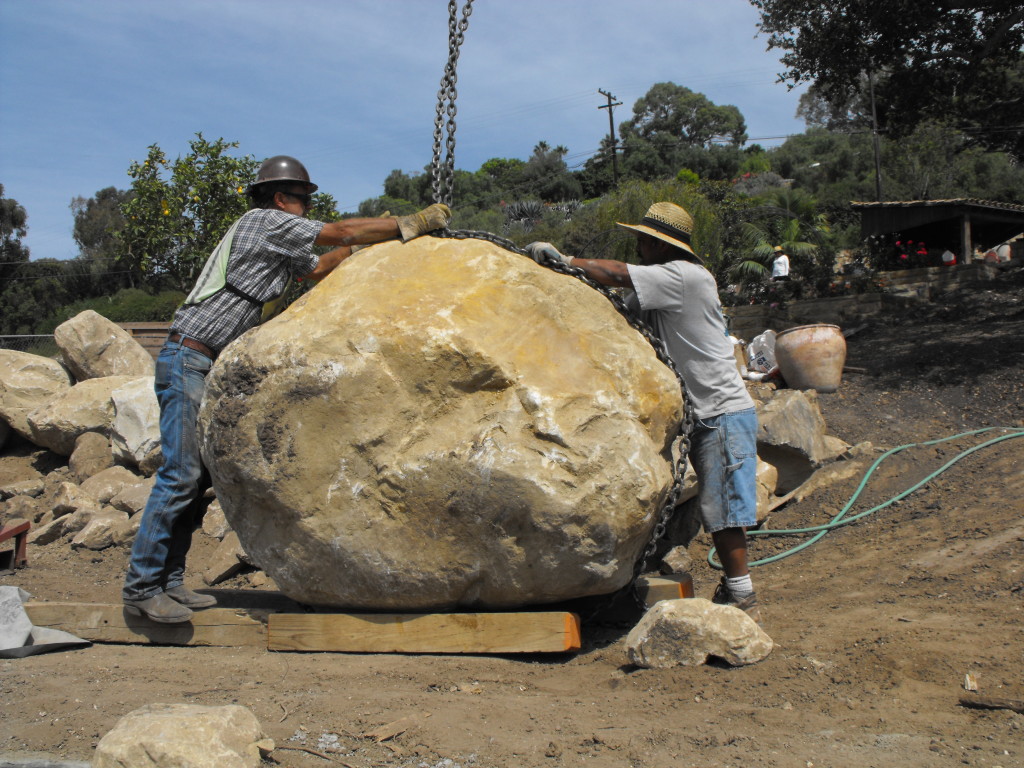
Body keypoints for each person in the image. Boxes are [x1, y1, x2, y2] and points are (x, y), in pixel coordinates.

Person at [122, 155, 451, 623]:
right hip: (187, 357)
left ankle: (170, 583)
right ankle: (140, 588)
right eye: (303, 199)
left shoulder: (277, 241)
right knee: (178, 476)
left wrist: (371, 247)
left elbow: (317, 267)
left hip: (202, 361)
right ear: (281, 198)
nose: (307, 207)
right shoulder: (263, 222)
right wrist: (408, 223)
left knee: (195, 482)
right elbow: (338, 233)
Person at [524, 202, 761, 624]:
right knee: (707, 501)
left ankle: (741, 590)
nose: (637, 245)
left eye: (642, 240)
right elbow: (620, 308)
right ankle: (730, 586)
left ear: (657, 242)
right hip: (697, 414)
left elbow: (616, 273)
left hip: (720, 411)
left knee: (721, 506)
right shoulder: (659, 286)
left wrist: (564, 259)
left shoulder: (685, 277)